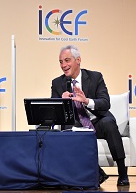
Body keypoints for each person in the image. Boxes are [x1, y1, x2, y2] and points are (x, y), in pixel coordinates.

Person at [51, 45, 129, 186]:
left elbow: (105, 103)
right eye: (61, 62)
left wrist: (86, 101)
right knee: (68, 133)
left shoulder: (95, 77)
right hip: (76, 126)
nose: (63, 65)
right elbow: (54, 115)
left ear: (78, 60)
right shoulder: (57, 83)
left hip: (97, 121)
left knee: (109, 123)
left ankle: (123, 173)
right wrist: (61, 102)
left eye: (67, 60)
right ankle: (98, 173)